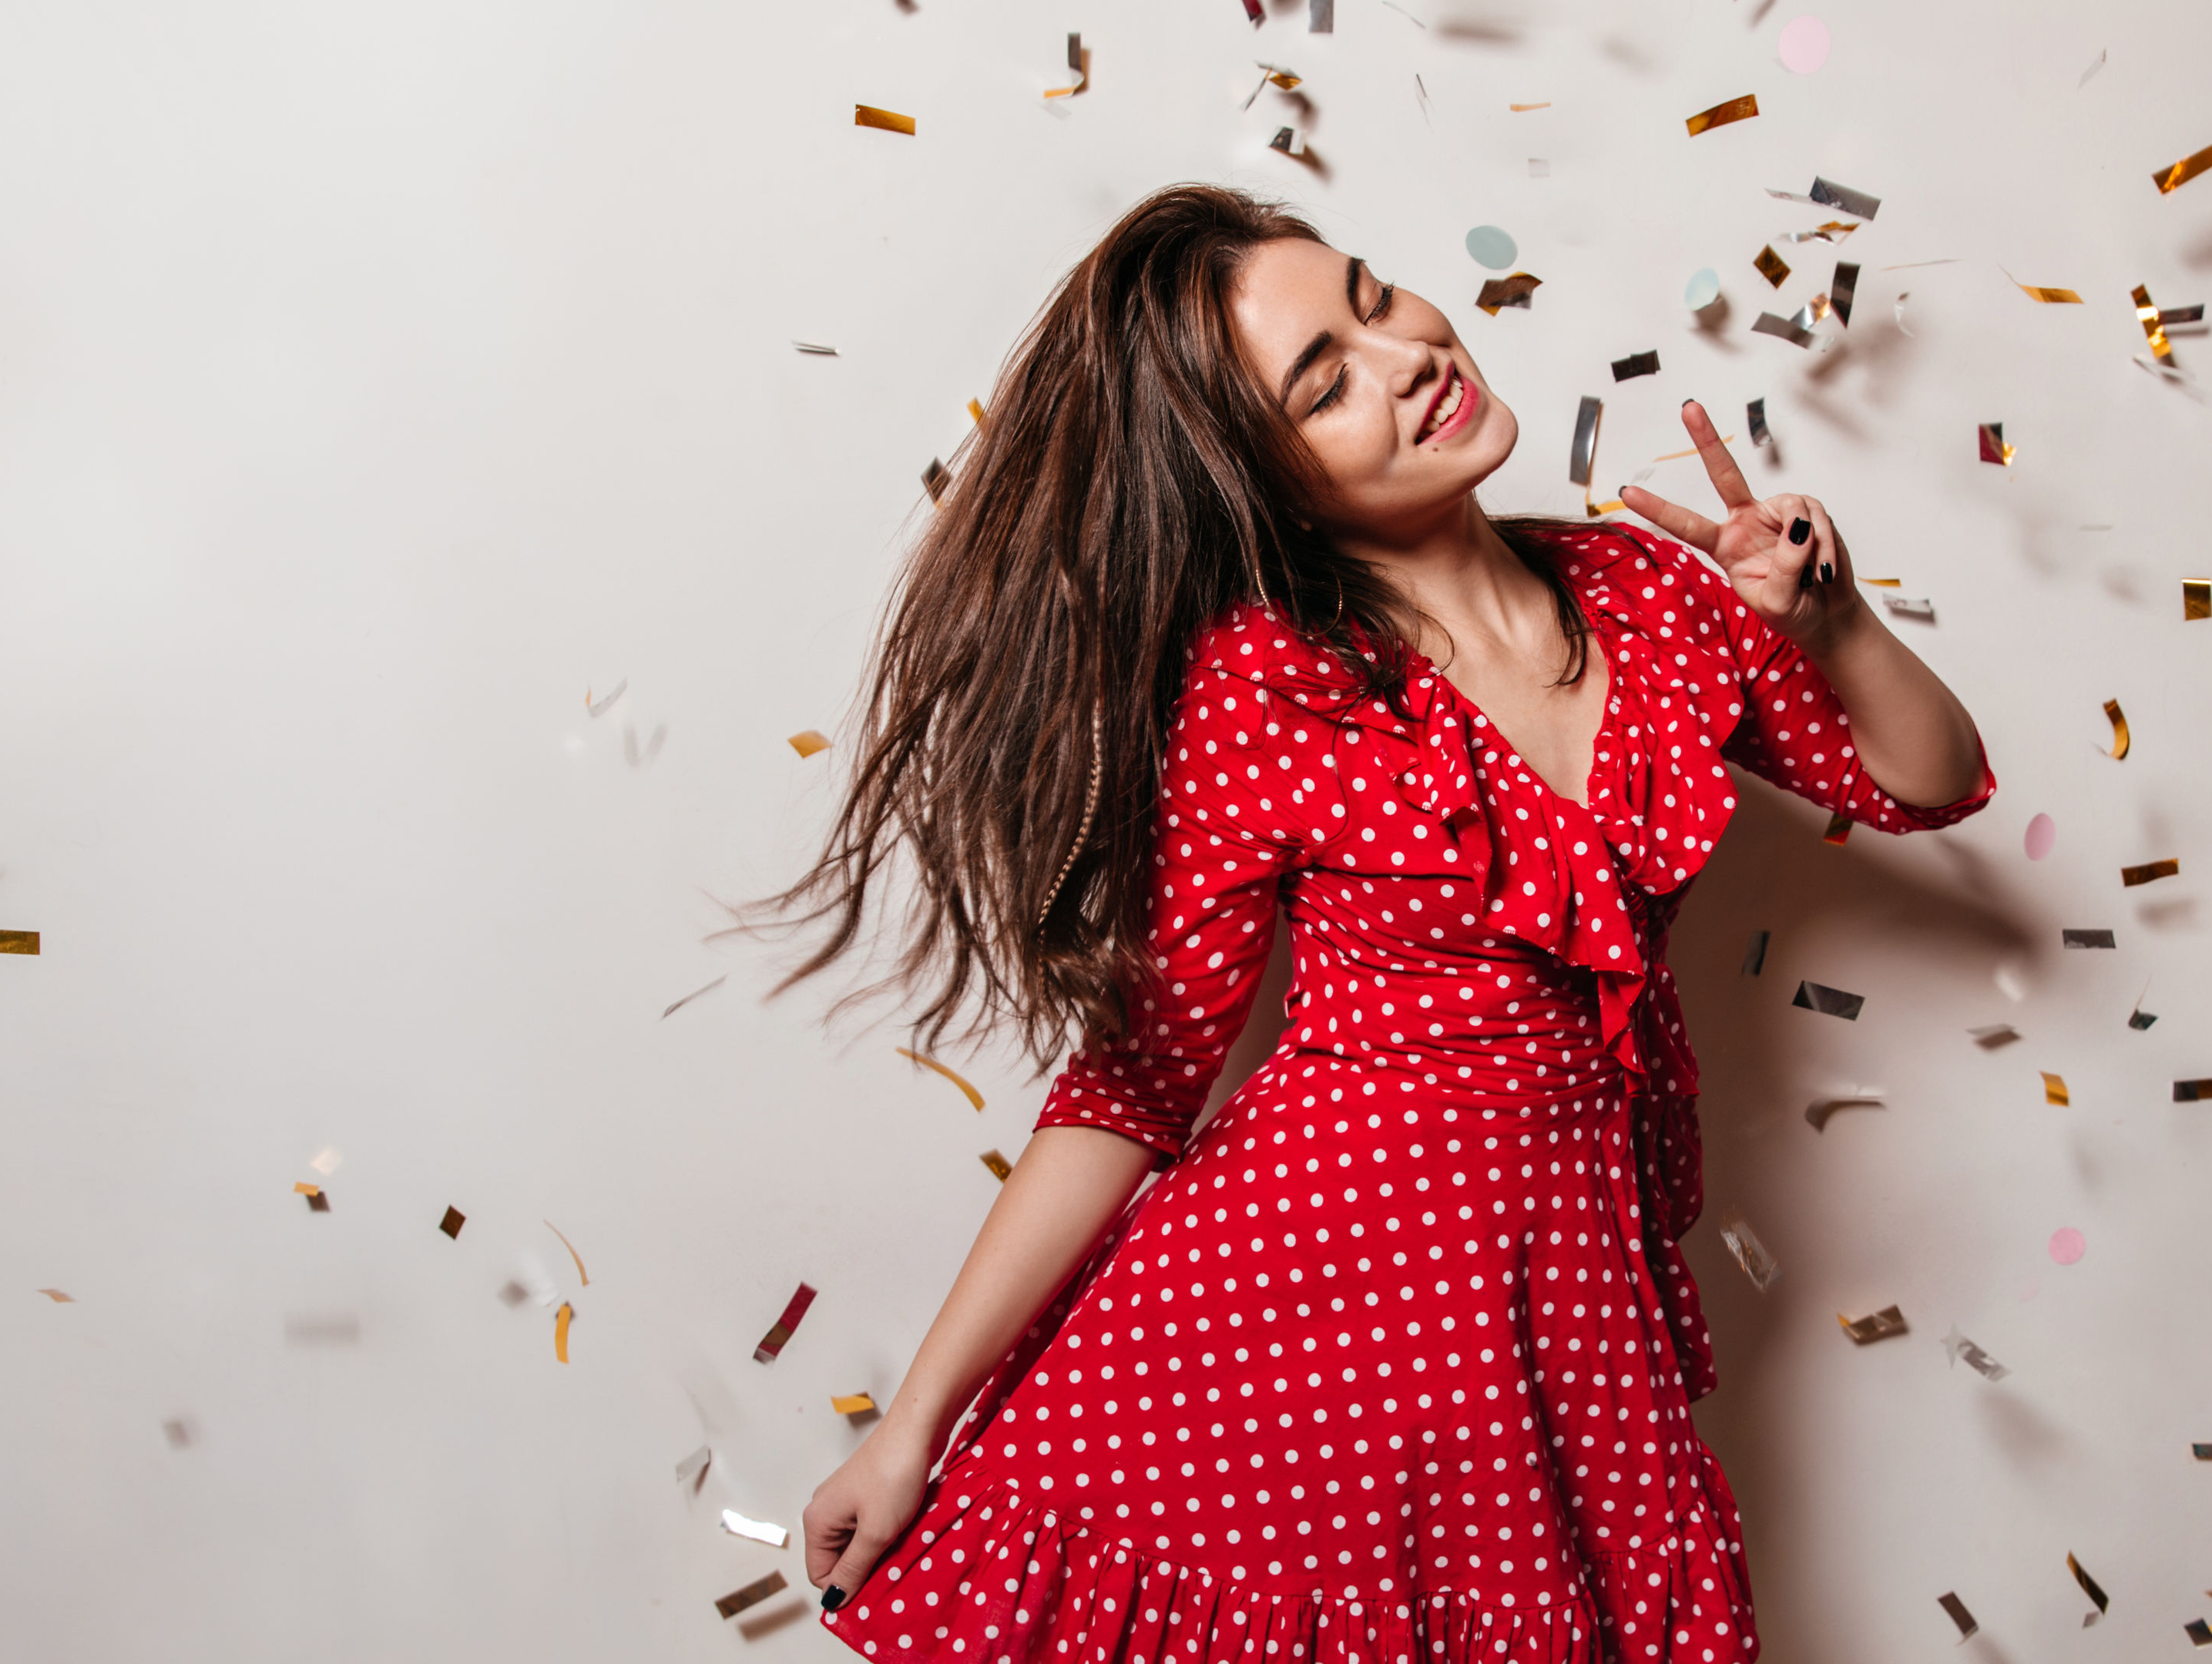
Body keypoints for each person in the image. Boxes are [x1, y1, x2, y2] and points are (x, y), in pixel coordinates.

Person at [763, 183, 1991, 1664]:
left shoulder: (1652, 594)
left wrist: (1828, 621)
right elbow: (1138, 1086)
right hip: (1309, 1331)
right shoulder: (1264, 692)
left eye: (1374, 295)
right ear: (1269, 482)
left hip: (1567, 1316)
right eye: (1327, 380)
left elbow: (1925, 785)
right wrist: (914, 1425)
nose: (1406, 351)